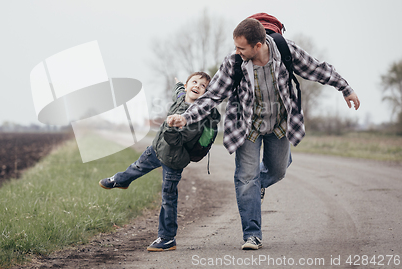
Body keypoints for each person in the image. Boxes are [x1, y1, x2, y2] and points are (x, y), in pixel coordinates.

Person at [167, 14, 360, 250]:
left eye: (241, 47)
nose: (236, 51)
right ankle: (252, 235)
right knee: (246, 178)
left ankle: (257, 183)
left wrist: (345, 88)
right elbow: (212, 96)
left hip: (279, 124)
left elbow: (318, 70)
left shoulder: (286, 52)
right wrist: (186, 117)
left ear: (258, 45)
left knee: (277, 170)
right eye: (235, 46)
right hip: (246, 127)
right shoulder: (234, 63)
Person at [99, 72, 221, 252]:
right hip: (156, 150)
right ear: (187, 87)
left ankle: (167, 238)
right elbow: (178, 92)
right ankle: (120, 180)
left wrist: (171, 127)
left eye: (203, 86)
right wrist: (179, 83)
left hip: (174, 161)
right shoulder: (181, 97)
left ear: (206, 95)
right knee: (136, 167)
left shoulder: (197, 118)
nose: (197, 86)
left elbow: (177, 141)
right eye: (194, 82)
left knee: (168, 198)